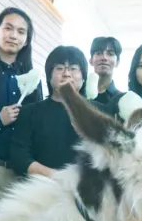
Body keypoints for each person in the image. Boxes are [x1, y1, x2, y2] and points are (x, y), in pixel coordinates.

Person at [0, 7, 43, 211]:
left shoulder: (32, 78)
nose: (13, 35)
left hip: (24, 172)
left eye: (21, 31)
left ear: (26, 40)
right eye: (8, 28)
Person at [10, 46, 91, 178]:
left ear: (83, 77)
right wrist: (56, 176)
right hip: (40, 188)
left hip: (85, 191)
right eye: (59, 68)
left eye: (73, 68)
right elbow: (19, 157)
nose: (66, 73)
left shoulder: (97, 112)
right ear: (49, 75)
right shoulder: (29, 112)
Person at [89, 36, 123, 107]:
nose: (104, 58)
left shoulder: (121, 100)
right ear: (91, 61)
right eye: (98, 53)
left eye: (110, 54)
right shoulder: (79, 94)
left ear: (117, 62)